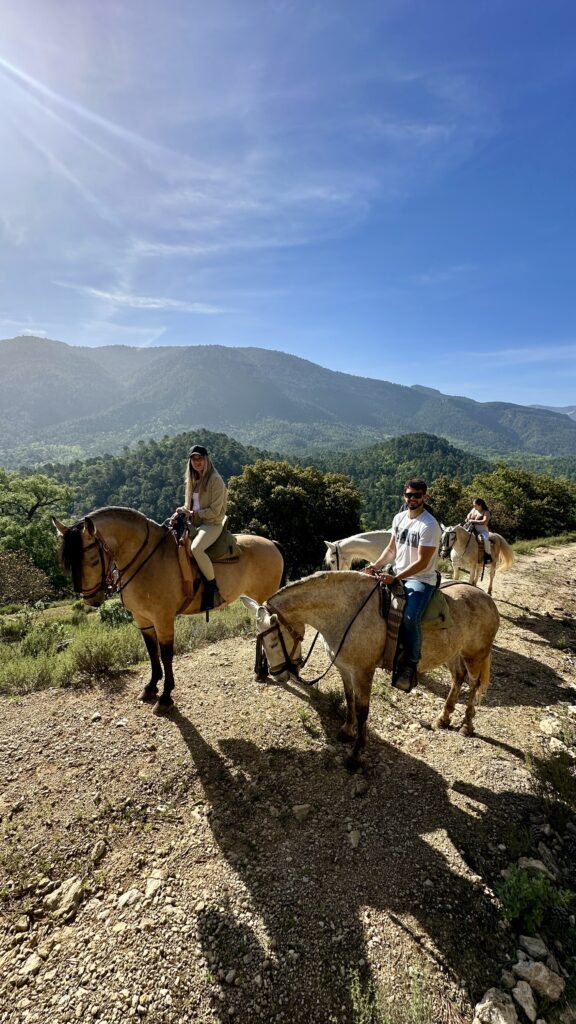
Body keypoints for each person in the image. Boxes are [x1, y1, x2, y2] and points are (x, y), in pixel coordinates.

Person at [363, 479, 441, 693]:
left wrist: (396, 579)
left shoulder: (430, 525)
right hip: (396, 572)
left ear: (425, 496)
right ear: (404, 496)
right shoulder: (399, 518)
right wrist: (375, 566)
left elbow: (423, 563)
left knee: (410, 617)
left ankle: (411, 663)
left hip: (421, 579)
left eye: (417, 495)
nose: (412, 499)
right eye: (409, 495)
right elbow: (391, 550)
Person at [172, 444, 228, 609]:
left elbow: (215, 511)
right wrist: (181, 512)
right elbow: (189, 504)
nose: (197, 462)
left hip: (212, 523)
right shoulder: (192, 480)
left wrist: (192, 514)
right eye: (194, 459)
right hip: (195, 522)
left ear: (206, 459)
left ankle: (212, 587)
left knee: (196, 548)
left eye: (200, 458)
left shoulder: (215, 480)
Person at [464, 497, 492, 563]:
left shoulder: (486, 512)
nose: (473, 506)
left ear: (480, 505)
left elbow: (484, 522)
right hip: (471, 528)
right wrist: (468, 519)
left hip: (482, 530)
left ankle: (487, 555)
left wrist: (472, 520)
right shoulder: (474, 509)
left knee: (485, 540)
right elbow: (469, 514)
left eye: (475, 505)